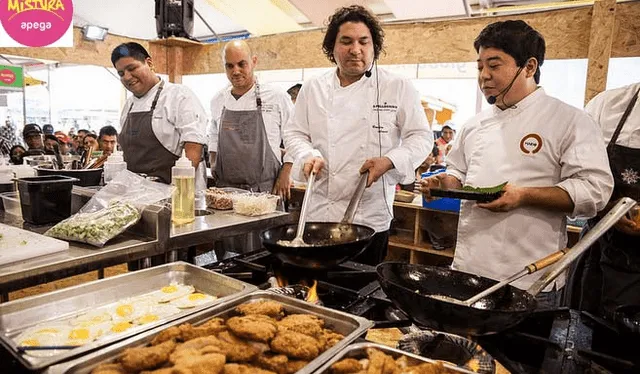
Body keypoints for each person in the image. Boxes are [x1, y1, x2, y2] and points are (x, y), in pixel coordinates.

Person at [419, 20, 613, 308]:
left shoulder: (570, 120)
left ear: (529, 67)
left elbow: (595, 191)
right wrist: (444, 184)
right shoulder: (474, 125)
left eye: (494, 65)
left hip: (530, 278)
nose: (483, 76)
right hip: (469, 269)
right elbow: (457, 172)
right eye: (479, 66)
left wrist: (523, 196)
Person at [284, 5, 432, 265]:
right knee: (317, 289)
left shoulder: (397, 86)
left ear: (375, 46)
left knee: (361, 293)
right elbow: (295, 133)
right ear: (332, 47)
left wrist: (389, 160)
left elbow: (420, 137)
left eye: (364, 41)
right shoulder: (313, 88)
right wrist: (308, 155)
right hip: (319, 211)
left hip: (369, 216)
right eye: (346, 41)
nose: (356, 49)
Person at [568, 81, 640, 318]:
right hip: (599, 248)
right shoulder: (607, 106)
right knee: (581, 334)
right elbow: (577, 177)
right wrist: (604, 209)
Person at [111, 42, 207, 185]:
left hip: (175, 195)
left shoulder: (179, 96)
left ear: (149, 63)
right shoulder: (128, 106)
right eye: (121, 73)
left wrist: (177, 191)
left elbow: (193, 149)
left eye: (132, 68)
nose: (127, 77)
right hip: (137, 195)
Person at [209, 40, 294, 198]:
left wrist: (286, 172)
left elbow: (294, 137)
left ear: (254, 61)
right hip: (226, 193)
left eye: (242, 64)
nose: (236, 71)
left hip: (265, 193)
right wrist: (214, 161)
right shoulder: (218, 100)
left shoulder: (276, 97)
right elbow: (213, 135)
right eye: (230, 66)